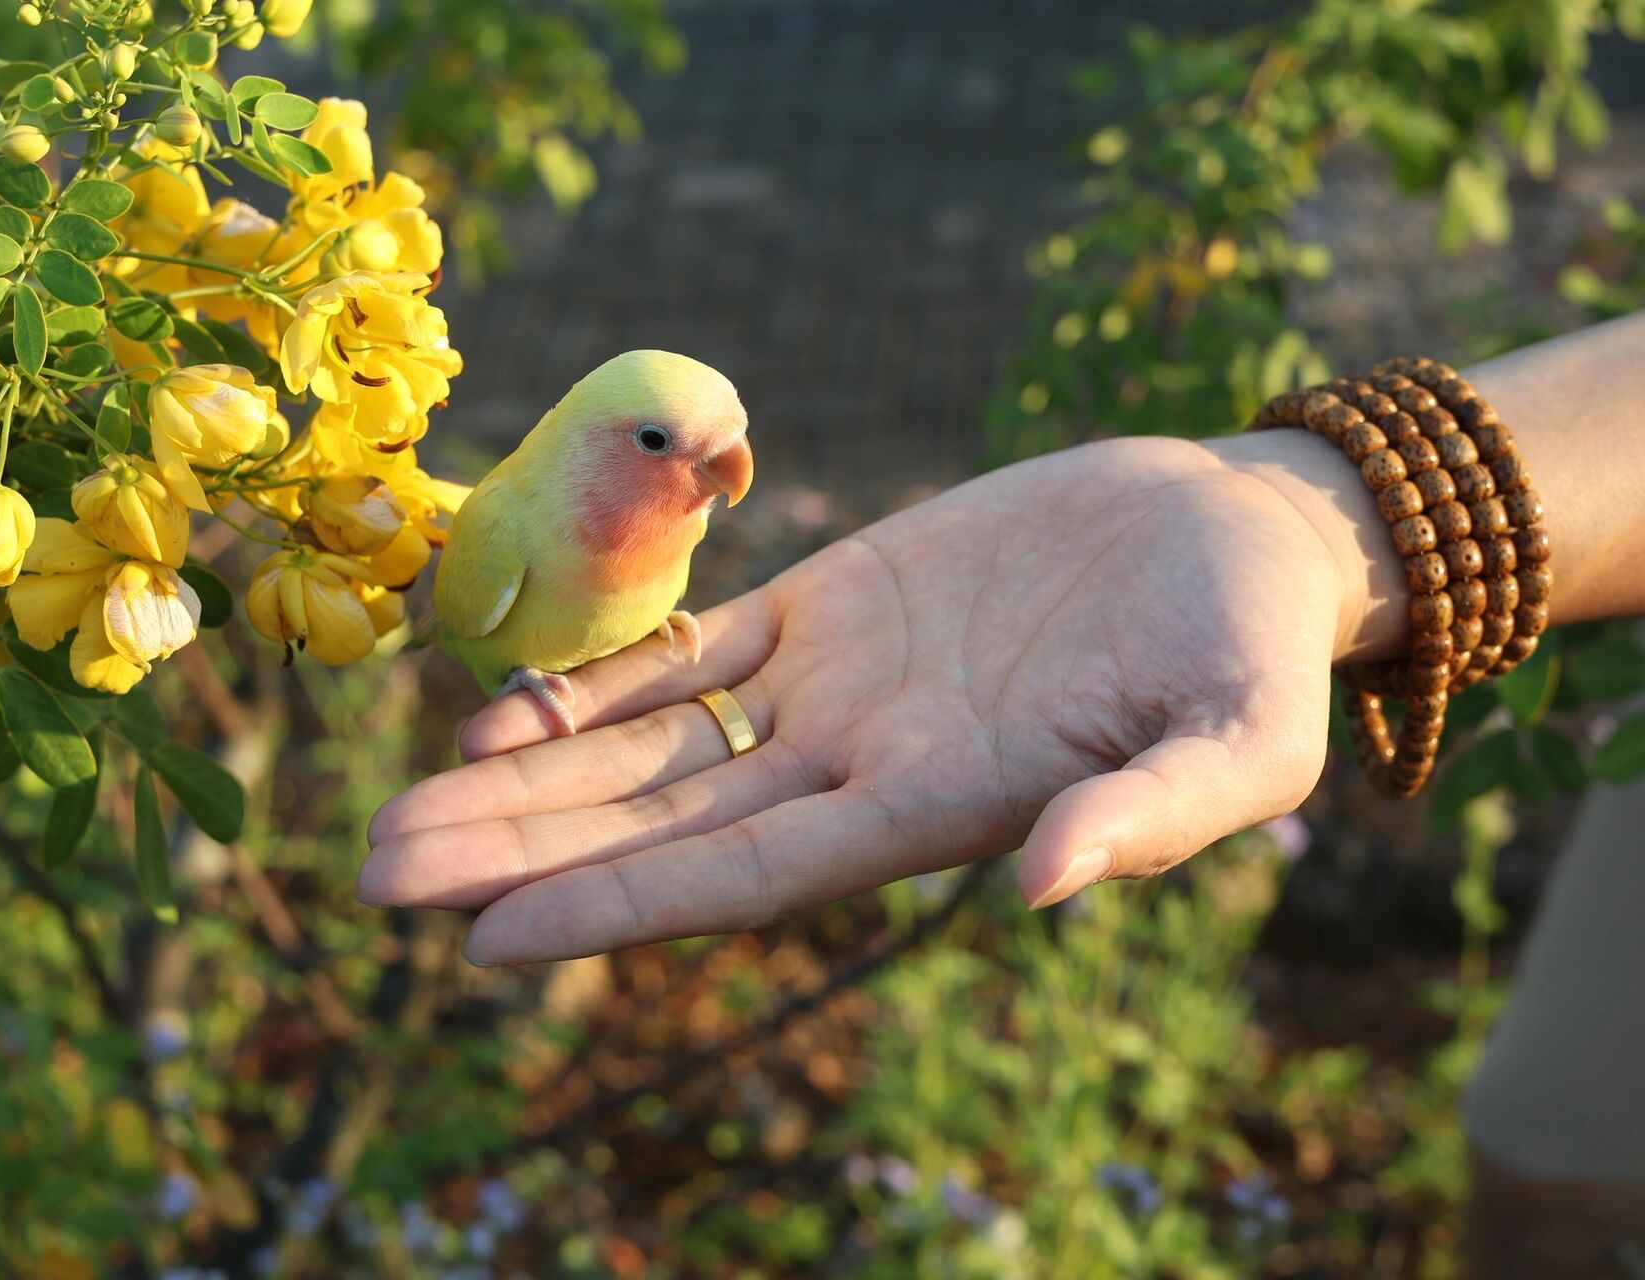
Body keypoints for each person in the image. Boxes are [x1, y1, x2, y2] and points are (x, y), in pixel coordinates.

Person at [358, 310, 1645, 1274]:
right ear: (591, 450)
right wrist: (1313, 518)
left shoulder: (672, 507)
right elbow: (479, 627)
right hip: (524, 638)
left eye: (719, 441)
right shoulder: (514, 535)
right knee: (1548, 1153)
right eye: (666, 447)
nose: (719, 471)